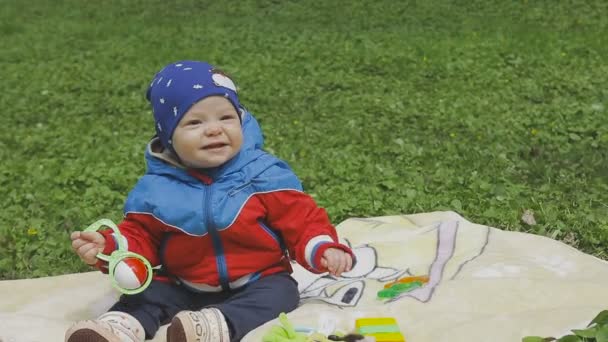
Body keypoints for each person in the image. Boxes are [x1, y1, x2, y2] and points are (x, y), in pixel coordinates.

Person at [65, 60, 355, 342]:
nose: (214, 129)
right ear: (168, 137)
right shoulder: (156, 189)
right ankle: (120, 327)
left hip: (257, 278)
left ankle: (216, 325)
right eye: (194, 122)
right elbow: (141, 235)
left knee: (282, 293)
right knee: (147, 292)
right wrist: (112, 248)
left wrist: (323, 248)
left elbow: (302, 220)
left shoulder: (263, 174)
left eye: (226, 117)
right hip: (182, 281)